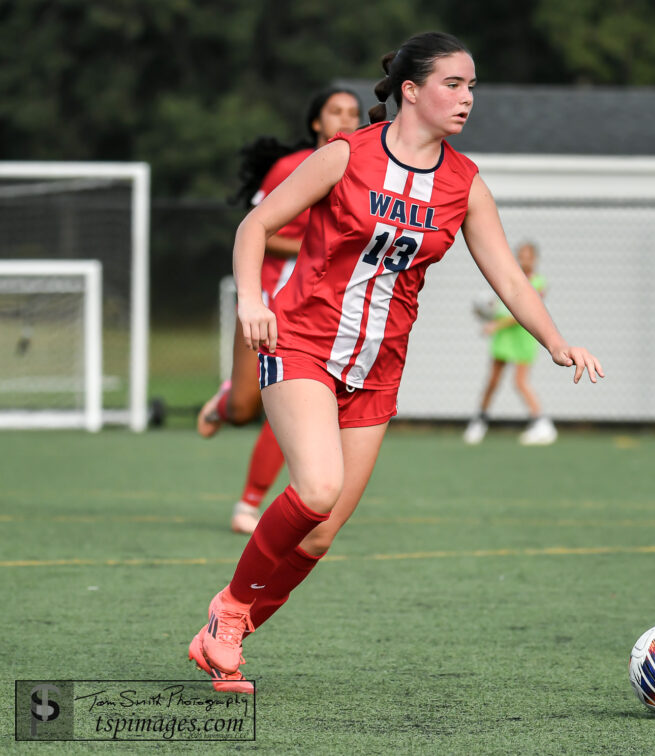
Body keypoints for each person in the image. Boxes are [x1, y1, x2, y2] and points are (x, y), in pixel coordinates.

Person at [187, 32, 604, 693]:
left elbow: (512, 281)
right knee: (317, 491)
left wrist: (556, 341)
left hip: (378, 371)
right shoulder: (345, 157)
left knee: (320, 538)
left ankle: (222, 639)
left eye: (472, 86)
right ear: (411, 91)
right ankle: (231, 612)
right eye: (453, 84)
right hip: (302, 342)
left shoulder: (464, 184)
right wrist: (250, 300)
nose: (467, 98)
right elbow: (255, 227)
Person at [196, 84, 363, 535]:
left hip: (316, 315)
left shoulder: (365, 172)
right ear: (315, 122)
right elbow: (257, 230)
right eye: (335, 111)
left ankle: (248, 505)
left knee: (296, 400)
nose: (345, 120)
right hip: (267, 301)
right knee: (244, 411)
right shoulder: (293, 168)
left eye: (353, 112)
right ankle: (229, 398)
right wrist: (315, 244)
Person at [463, 241, 557, 445]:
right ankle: (480, 421)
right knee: (492, 382)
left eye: (528, 255)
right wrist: (484, 312)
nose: (524, 259)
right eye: (520, 255)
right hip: (505, 339)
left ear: (535, 259)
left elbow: (525, 313)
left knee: (520, 382)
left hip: (524, 337)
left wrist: (496, 326)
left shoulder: (539, 283)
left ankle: (541, 424)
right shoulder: (509, 279)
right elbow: (500, 306)